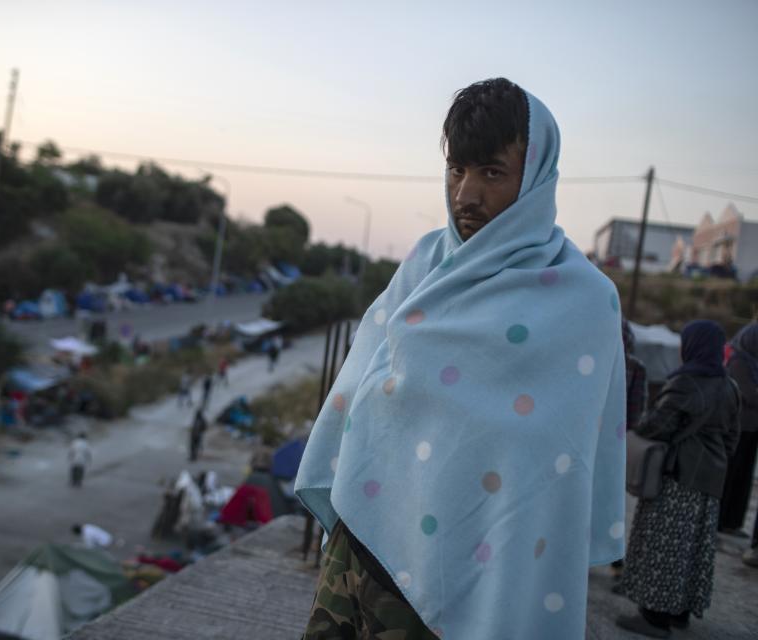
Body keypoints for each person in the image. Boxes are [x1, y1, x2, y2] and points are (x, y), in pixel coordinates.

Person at [294, 78, 626, 639]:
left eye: (492, 173)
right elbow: (362, 395)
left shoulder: (583, 301)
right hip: (358, 552)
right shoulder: (426, 262)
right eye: (457, 170)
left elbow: (553, 464)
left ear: (536, 176)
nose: (465, 195)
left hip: (466, 582)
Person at [616, 320, 740, 637]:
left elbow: (656, 425)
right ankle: (680, 613)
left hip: (678, 477)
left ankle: (654, 618)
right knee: (694, 548)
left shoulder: (687, 383)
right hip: (711, 481)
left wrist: (638, 429)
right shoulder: (730, 387)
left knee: (664, 546)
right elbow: (732, 439)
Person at [611, 319, 649, 579]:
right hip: (615, 441)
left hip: (584, 438)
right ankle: (613, 557)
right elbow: (636, 412)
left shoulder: (597, 359)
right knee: (611, 497)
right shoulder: (636, 367)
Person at [719, 323, 758, 537]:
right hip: (739, 429)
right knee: (732, 476)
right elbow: (749, 395)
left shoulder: (753, 363)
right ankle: (723, 520)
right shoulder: (739, 361)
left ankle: (732, 523)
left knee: (743, 480)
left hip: (752, 429)